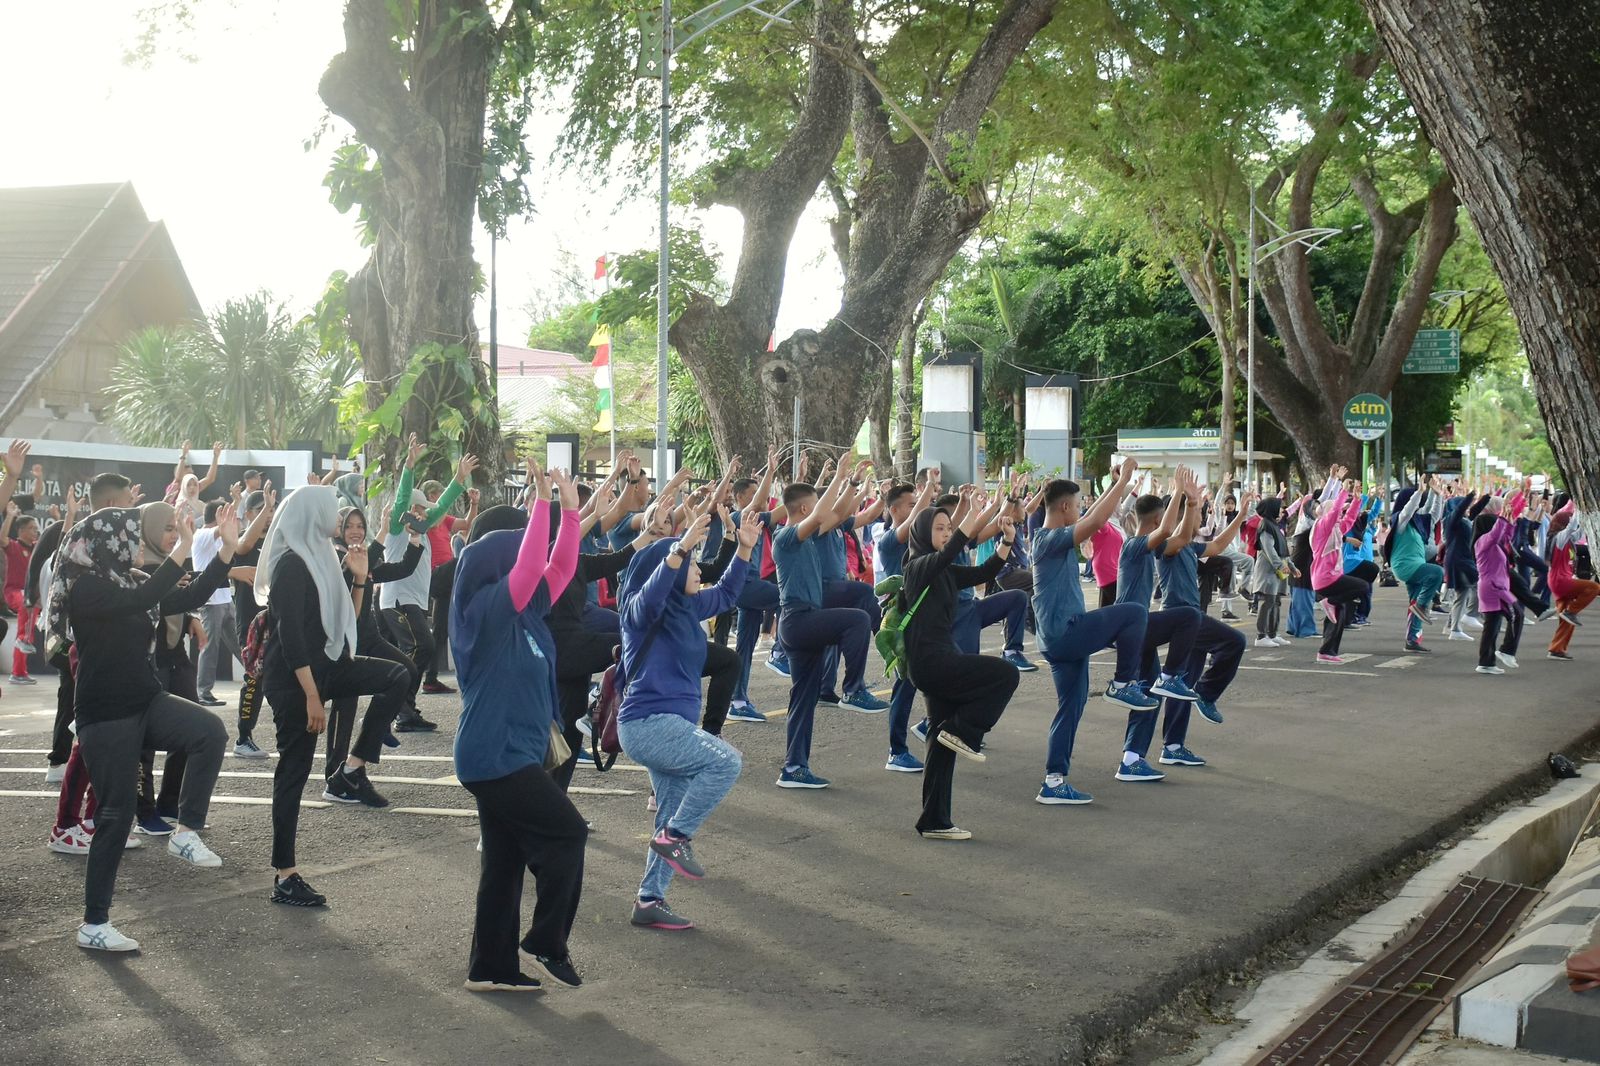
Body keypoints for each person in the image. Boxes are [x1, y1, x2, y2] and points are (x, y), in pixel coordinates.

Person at [45, 505, 230, 952]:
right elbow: (140, 602)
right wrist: (183, 548)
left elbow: (193, 593)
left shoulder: (131, 581)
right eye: (129, 535)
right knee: (114, 814)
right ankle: (94, 924)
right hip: (103, 714)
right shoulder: (86, 588)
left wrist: (224, 549)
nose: (135, 542)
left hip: (145, 701)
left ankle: (186, 833)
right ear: (109, 541)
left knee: (209, 732)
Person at [450, 482, 586, 992]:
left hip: (518, 754)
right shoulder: (484, 611)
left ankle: (491, 968)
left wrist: (569, 512)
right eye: (527, 541)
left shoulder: (528, 612)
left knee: (503, 864)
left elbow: (558, 569)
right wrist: (544, 507)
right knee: (568, 833)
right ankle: (548, 940)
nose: (534, 552)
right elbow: (530, 567)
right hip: (494, 756)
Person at [257, 486, 412, 907]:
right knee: (295, 769)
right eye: (329, 508)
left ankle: (352, 768)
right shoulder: (292, 563)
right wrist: (312, 697)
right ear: (312, 514)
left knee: (398, 676)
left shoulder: (324, 553)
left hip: (327, 664)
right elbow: (291, 640)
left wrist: (360, 579)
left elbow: (354, 625)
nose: (338, 515)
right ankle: (285, 875)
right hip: (294, 680)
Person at [620, 505, 758, 928]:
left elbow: (730, 593)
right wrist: (678, 550)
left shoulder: (687, 607)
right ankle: (676, 839)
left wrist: (745, 550)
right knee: (726, 761)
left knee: (670, 809)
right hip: (647, 724)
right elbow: (653, 591)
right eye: (693, 563)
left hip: (670, 728)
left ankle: (649, 900)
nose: (699, 569)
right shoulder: (641, 613)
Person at [1032, 459, 1161, 807]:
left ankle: (1053, 782)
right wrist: (1126, 483)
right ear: (1064, 507)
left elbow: (1094, 515)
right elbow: (1097, 520)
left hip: (1060, 640)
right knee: (1134, 612)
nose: (1080, 510)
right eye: (1076, 505)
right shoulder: (1047, 539)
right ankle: (1122, 683)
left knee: (1070, 708)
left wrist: (1116, 485)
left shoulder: (1050, 539)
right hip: (1066, 633)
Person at [901, 491, 1020, 839]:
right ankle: (966, 730)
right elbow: (953, 548)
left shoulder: (945, 571)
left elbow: (983, 572)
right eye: (939, 528)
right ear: (923, 534)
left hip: (940, 659)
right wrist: (973, 514)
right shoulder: (918, 568)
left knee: (940, 743)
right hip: (931, 662)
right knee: (1005, 674)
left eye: (948, 527)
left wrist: (1006, 542)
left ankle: (934, 821)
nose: (944, 533)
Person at [1128, 474, 1253, 771]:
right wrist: (1189, 500)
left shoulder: (1191, 548)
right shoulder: (1169, 547)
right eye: (1195, 514)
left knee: (1183, 684)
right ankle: (1207, 695)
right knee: (1235, 642)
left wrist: (1241, 517)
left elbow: (1218, 545)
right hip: (1182, 617)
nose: (1200, 518)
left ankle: (1172, 746)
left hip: (1192, 624)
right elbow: (1181, 533)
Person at [770, 463, 875, 789]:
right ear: (804, 508)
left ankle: (794, 768)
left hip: (805, 621)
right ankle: (854, 689)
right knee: (857, 618)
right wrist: (841, 476)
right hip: (798, 620)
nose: (820, 509)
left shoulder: (810, 533)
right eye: (815, 503)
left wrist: (853, 482)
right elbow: (820, 514)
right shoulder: (785, 538)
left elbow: (840, 511)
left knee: (803, 698)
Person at [378, 435, 474, 732]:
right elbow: (404, 497)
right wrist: (409, 466)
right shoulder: (396, 527)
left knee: (420, 649)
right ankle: (400, 708)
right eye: (418, 509)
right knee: (423, 646)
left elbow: (443, 504)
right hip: (397, 600)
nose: (422, 513)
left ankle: (404, 709)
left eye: (423, 510)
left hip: (411, 601)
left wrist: (459, 478)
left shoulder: (423, 527)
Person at [1114, 472, 1205, 784]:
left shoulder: (1149, 547)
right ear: (1154, 521)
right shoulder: (1134, 546)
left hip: (1138, 628)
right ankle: (1170, 677)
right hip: (1129, 629)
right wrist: (1178, 492)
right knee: (1188, 617)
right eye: (1162, 522)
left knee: (1147, 694)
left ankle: (1131, 760)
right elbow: (1170, 529)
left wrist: (1191, 501)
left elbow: (1181, 538)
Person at [325, 503, 425, 779]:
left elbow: (403, 568)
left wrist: (415, 537)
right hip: (345, 645)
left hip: (370, 638)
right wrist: (382, 531)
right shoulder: (336, 558)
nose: (355, 531)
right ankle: (335, 771)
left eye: (360, 526)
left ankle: (377, 726)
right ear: (338, 530)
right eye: (349, 526)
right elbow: (353, 568)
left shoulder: (364, 559)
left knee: (407, 670)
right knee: (345, 708)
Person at [876, 479, 936, 772]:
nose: (918, 508)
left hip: (922, 617)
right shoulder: (889, 540)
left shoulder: (917, 541)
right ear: (894, 510)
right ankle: (896, 751)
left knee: (930, 677)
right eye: (911, 504)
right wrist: (929, 490)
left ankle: (930, 724)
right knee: (905, 685)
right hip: (900, 622)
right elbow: (916, 519)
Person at [421, 479, 479, 694]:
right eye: (433, 496)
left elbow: (466, 524)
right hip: (436, 574)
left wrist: (473, 504)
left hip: (447, 580)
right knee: (466, 556)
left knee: (440, 631)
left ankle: (430, 679)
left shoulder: (444, 520)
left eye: (438, 495)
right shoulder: (424, 519)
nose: (437, 500)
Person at [230, 487, 275, 757]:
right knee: (253, 680)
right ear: (247, 514)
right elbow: (243, 545)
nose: (269, 516)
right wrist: (266, 510)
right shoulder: (242, 543)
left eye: (271, 510)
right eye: (261, 510)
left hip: (274, 620)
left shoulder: (273, 541)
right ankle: (243, 738)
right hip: (249, 624)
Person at [1311, 470, 1370, 663]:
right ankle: (1331, 602)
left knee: (1339, 615)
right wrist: (1343, 491)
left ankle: (1326, 652)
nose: (1341, 512)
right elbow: (1335, 511)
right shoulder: (1322, 526)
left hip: (1331, 578)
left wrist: (1356, 500)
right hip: (1325, 578)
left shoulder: (1336, 529)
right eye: (1338, 510)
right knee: (1361, 586)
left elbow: (1350, 519)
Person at [1385, 478, 1446, 653]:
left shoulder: (1417, 524)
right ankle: (1421, 606)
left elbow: (1433, 514)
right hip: (1405, 566)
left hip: (1416, 566)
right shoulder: (1400, 522)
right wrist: (1419, 492)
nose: (1419, 507)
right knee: (1437, 572)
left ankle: (1412, 641)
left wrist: (1437, 494)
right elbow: (1408, 510)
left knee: (1415, 600)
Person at [192, 499, 242, 707]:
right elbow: (221, 534)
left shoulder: (218, 537)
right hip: (210, 602)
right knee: (210, 648)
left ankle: (261, 680)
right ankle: (203, 693)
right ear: (218, 515)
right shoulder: (202, 535)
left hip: (225, 598)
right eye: (226, 513)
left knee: (240, 644)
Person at [1473, 504, 1520, 675]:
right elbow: (1495, 534)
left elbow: (1505, 537)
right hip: (1494, 588)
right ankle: (1507, 650)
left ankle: (1486, 662)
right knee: (1517, 615)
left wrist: (1510, 522)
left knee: (1492, 625)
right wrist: (1501, 519)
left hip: (1494, 587)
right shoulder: (1483, 541)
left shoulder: (1495, 544)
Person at [1547, 502, 1595, 660]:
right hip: (1560, 580)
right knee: (1594, 587)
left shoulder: (1568, 540)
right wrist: (1579, 506)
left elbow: (1580, 531)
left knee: (1565, 621)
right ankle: (1571, 611)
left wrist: (1587, 516)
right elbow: (1572, 526)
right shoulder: (1559, 538)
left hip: (1561, 580)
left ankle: (1556, 649)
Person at [2, 500, 41, 684]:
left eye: (36, 528)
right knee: (28, 604)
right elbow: (2, 539)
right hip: (14, 592)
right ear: (22, 530)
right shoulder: (13, 546)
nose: (36, 531)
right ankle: (26, 639)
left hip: (30, 597)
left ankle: (18, 673)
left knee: (23, 627)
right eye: (32, 528)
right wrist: (9, 515)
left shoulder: (37, 549)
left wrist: (58, 518)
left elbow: (57, 543)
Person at [1250, 496, 1297, 648]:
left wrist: (1292, 567)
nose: (1283, 510)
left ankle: (1272, 634)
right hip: (1268, 570)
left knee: (1275, 601)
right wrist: (1280, 565)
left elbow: (1283, 551)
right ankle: (1261, 636)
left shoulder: (1274, 525)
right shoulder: (1265, 525)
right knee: (1268, 601)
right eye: (1280, 507)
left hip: (1278, 569)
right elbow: (1269, 549)